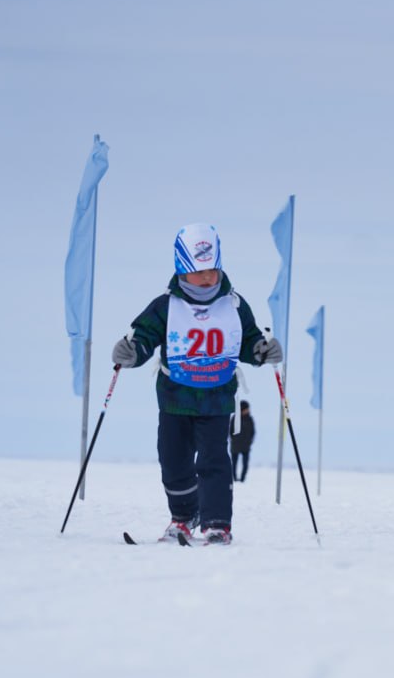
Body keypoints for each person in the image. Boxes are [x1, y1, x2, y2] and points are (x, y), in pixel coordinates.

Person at [111, 223, 281, 545]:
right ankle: (183, 516)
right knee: (172, 458)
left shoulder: (233, 304)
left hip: (217, 400)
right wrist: (132, 353)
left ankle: (217, 524)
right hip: (175, 398)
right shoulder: (165, 305)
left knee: (213, 459)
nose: (207, 278)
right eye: (199, 271)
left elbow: (248, 340)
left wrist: (261, 350)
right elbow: (145, 337)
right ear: (182, 269)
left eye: (213, 270)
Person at [230, 400, 255, 483]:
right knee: (234, 463)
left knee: (245, 464)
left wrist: (250, 441)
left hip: (246, 446)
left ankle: (242, 479)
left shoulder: (250, 419)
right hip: (235, 446)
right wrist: (234, 440)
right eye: (246, 409)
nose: (248, 410)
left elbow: (253, 432)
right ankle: (234, 478)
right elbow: (230, 431)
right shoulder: (235, 418)